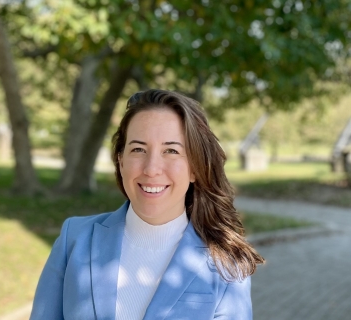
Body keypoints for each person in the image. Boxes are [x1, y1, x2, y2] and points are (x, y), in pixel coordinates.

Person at [30, 89, 264, 320]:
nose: (151, 168)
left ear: (195, 167)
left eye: (171, 150)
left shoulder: (226, 264)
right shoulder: (75, 239)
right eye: (138, 149)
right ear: (121, 161)